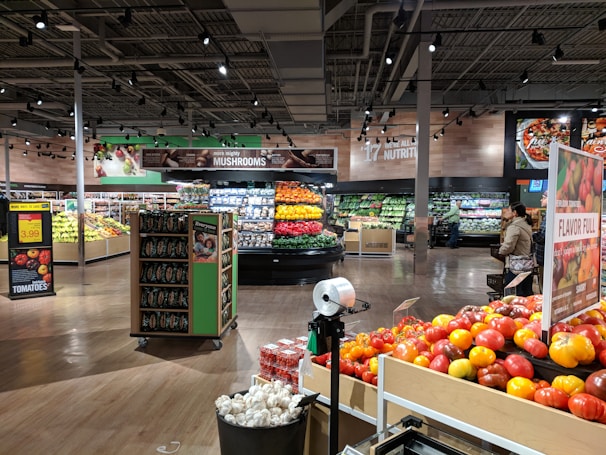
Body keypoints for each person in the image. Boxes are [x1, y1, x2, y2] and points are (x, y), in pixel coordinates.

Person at [499, 202, 534, 297]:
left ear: (515, 213)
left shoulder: (514, 227)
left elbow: (509, 245)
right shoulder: (525, 223)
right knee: (526, 293)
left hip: (516, 266)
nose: (506, 211)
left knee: (513, 294)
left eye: (508, 210)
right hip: (527, 264)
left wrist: (501, 251)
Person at [533, 191, 548, 290]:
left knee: (544, 285)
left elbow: (543, 236)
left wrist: (532, 236)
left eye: (543, 197)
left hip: (544, 257)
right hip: (544, 257)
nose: (541, 200)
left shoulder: (550, 217)